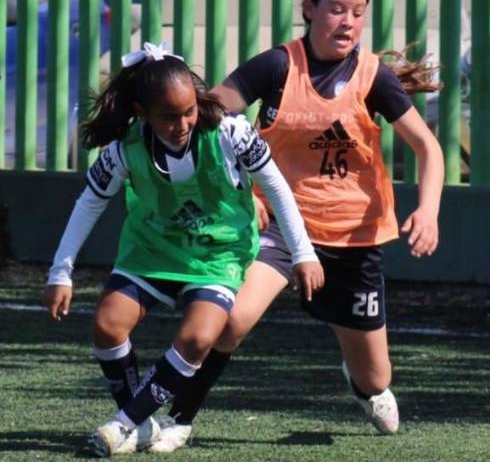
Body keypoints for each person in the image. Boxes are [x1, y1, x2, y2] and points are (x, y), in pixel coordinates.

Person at [154, 0, 444, 451]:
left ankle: (361, 383)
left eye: (357, 12)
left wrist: (429, 210)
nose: (348, 22)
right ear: (310, 10)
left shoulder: (373, 77)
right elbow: (207, 118)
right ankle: (178, 418)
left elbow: (428, 148)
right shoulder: (276, 66)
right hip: (282, 228)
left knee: (376, 378)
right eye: (336, 9)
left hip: (355, 237)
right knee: (232, 321)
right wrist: (238, 192)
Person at [42, 42, 324, 457]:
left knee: (199, 337)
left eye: (189, 111)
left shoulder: (232, 132)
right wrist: (59, 272)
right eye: (169, 117)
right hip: (152, 251)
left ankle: (123, 424)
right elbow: (89, 201)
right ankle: (138, 425)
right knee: (106, 325)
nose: (183, 123)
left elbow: (278, 188)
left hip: (218, 255)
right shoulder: (124, 148)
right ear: (142, 112)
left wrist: (303, 252)